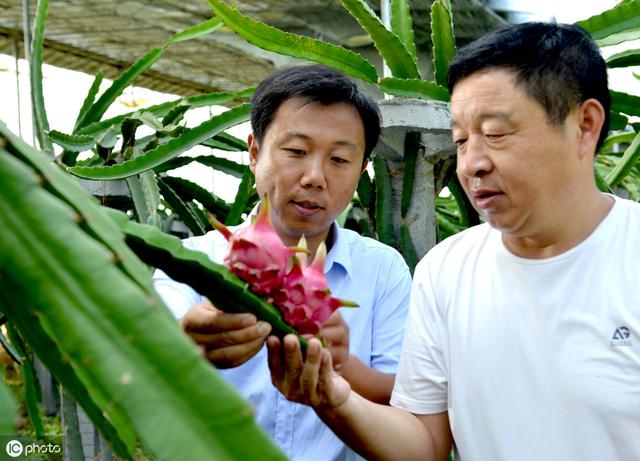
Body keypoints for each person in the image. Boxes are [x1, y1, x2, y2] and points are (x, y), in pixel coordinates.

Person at [266, 22, 640, 461]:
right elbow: (424, 443)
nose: (473, 164)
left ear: (585, 125)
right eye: (461, 140)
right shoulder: (445, 270)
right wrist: (332, 396)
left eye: (496, 134)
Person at [152, 65, 412, 460]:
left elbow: (399, 393)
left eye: (340, 160)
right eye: (296, 151)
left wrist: (341, 367)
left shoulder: (383, 270)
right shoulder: (190, 262)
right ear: (254, 153)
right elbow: (151, 349)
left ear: (362, 171)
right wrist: (187, 340)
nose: (315, 177)